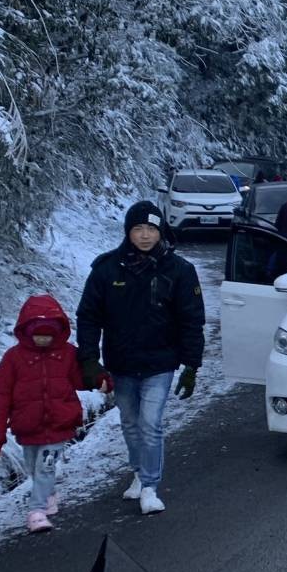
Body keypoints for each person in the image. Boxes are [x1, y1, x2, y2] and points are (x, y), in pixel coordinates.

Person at [77, 202, 204, 515]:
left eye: (151, 229)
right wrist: (90, 360)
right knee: (130, 424)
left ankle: (150, 486)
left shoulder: (180, 271)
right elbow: (88, 316)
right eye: (138, 229)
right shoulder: (107, 269)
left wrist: (191, 365)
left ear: (160, 232)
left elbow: (192, 319)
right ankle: (138, 472)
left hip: (160, 363)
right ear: (128, 231)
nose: (145, 235)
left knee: (150, 424)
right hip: (121, 363)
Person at [0, 295, 89, 534]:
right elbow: (0, 395)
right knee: (33, 467)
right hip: (28, 426)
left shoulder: (67, 354)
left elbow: (81, 378)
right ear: (26, 331)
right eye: (38, 334)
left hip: (58, 426)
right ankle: (48, 493)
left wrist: (102, 378)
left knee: (45, 467)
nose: (43, 339)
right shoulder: (13, 358)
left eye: (48, 334)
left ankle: (37, 511)